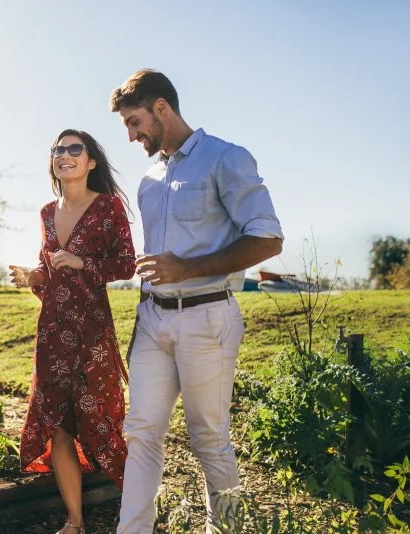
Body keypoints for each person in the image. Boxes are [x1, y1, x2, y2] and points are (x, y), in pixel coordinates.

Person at [109, 69, 284, 533]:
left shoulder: (225, 158)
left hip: (208, 317)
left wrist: (187, 268)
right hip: (152, 320)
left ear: (161, 107)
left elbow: (268, 240)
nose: (131, 135)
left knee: (208, 437)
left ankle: (224, 530)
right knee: (141, 431)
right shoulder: (149, 179)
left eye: (134, 122)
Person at [10, 129, 136, 534]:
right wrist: (33, 276)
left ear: (91, 162)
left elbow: (126, 264)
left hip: (93, 333)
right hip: (52, 333)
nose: (64, 155)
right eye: (58, 149)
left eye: (74, 149)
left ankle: (138, 508)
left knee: (100, 419)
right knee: (59, 423)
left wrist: (84, 264)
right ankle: (75, 521)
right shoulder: (47, 212)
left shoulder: (109, 207)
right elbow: (48, 271)